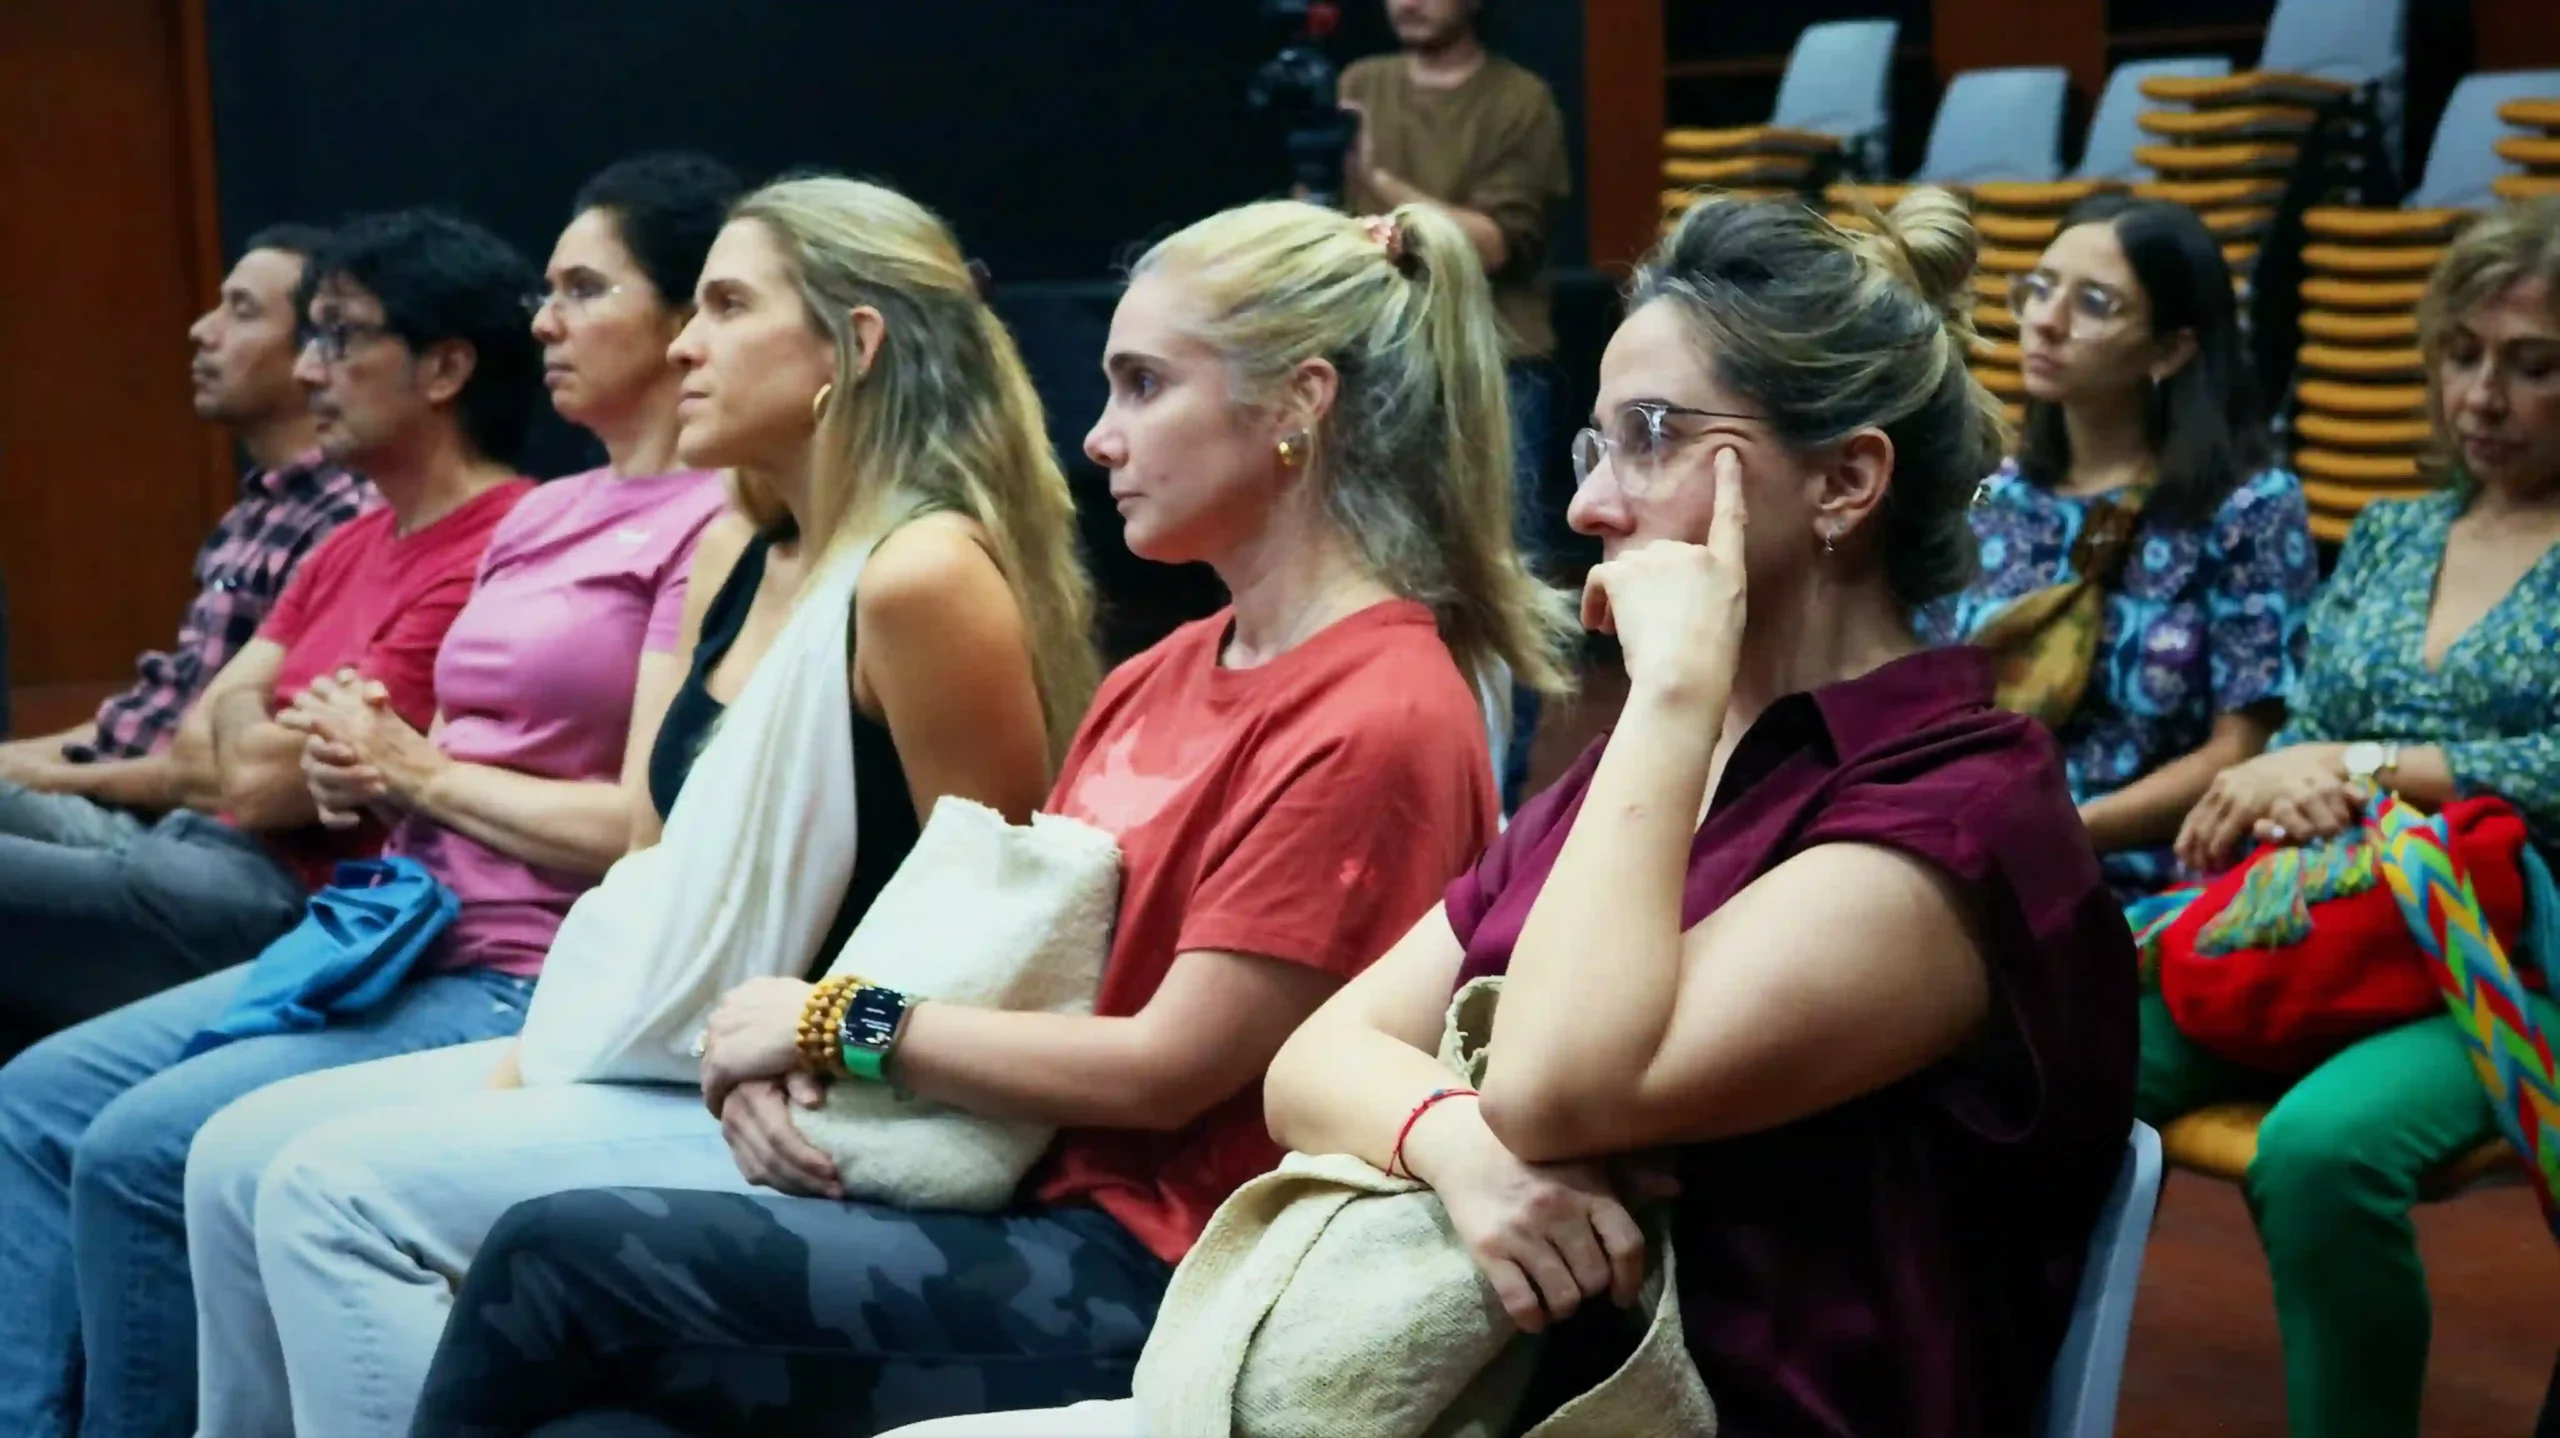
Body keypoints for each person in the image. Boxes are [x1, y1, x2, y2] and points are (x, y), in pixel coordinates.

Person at [891, 189, 2143, 1438]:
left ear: (1845, 481)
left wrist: (1666, 694)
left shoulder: (1954, 811)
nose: (1592, 507)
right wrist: (1454, 1144)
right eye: (1593, 447)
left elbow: (1554, 1089)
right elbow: (1312, 1064)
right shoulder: (1640, 773)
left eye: (1651, 435)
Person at [389, 196, 1574, 1438]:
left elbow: (1173, 1070)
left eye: (1143, 386)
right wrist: (785, 1064)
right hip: (1018, 1206)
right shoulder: (1162, 670)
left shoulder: (1380, 706)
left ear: (1298, 402)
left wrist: (832, 1022)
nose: (1099, 438)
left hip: (1170, 1275)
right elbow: (996, 959)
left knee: (549, 1258)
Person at [181, 173, 1109, 1438]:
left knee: (330, 1193)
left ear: (856, 344)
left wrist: (810, 1051)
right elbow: (652, 860)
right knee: (228, 1159)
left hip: (800, 1099)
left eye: (726, 306)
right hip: (661, 1049)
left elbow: (990, 934)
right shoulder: (742, 546)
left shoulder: (923, 576)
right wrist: (548, 1044)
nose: (683, 342)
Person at [0, 157, 741, 1438]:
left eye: (580, 288)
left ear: (684, 320)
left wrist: (401, 767)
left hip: (512, 960)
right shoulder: (541, 516)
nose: (544, 319)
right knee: (47, 1094)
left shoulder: (708, 525)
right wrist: (378, 763)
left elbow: (633, 824)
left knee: (145, 1149)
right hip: (390, 919)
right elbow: (258, 734)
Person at [2149, 198, 2560, 1438]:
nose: (2482, 396)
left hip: (2518, 953)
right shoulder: (2390, 534)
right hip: (2336, 911)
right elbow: (2310, 721)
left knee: (2321, 1152)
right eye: (2461, 354)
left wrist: (2366, 761)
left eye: (2534, 366)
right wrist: (2301, 772)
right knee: (2055, 1050)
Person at [0, 210, 540, 1054]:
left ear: (443, 368)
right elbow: (196, 743)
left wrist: (245, 713)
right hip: (193, 853)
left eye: (340, 340)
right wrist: (249, 719)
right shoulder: (349, 543)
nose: (311, 372)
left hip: (288, 900)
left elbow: (253, 784)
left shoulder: (500, 546)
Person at [1926, 195, 2320, 900]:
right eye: (2039, 290)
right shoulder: (1993, 493)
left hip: (2141, 875)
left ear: (2171, 349)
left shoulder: (2246, 508)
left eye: (2095, 304)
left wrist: (2063, 832)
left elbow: (2244, 747)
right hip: (1967, 847)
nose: (2046, 321)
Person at [0, 226, 371, 848]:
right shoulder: (254, 514)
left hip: (195, 837)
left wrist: (37, 778)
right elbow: (136, 725)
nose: (203, 330)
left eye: (242, 311)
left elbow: (227, 775)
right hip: (126, 800)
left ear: (315, 352)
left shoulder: (347, 522)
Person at [1341, 0, 1572, 811]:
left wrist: (1380, 181)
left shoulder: (1520, 101)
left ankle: (1492, 803)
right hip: (1379, 362)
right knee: (1378, 574)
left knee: (1497, 584)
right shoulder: (1358, 83)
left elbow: (1493, 242)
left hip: (1494, 366)